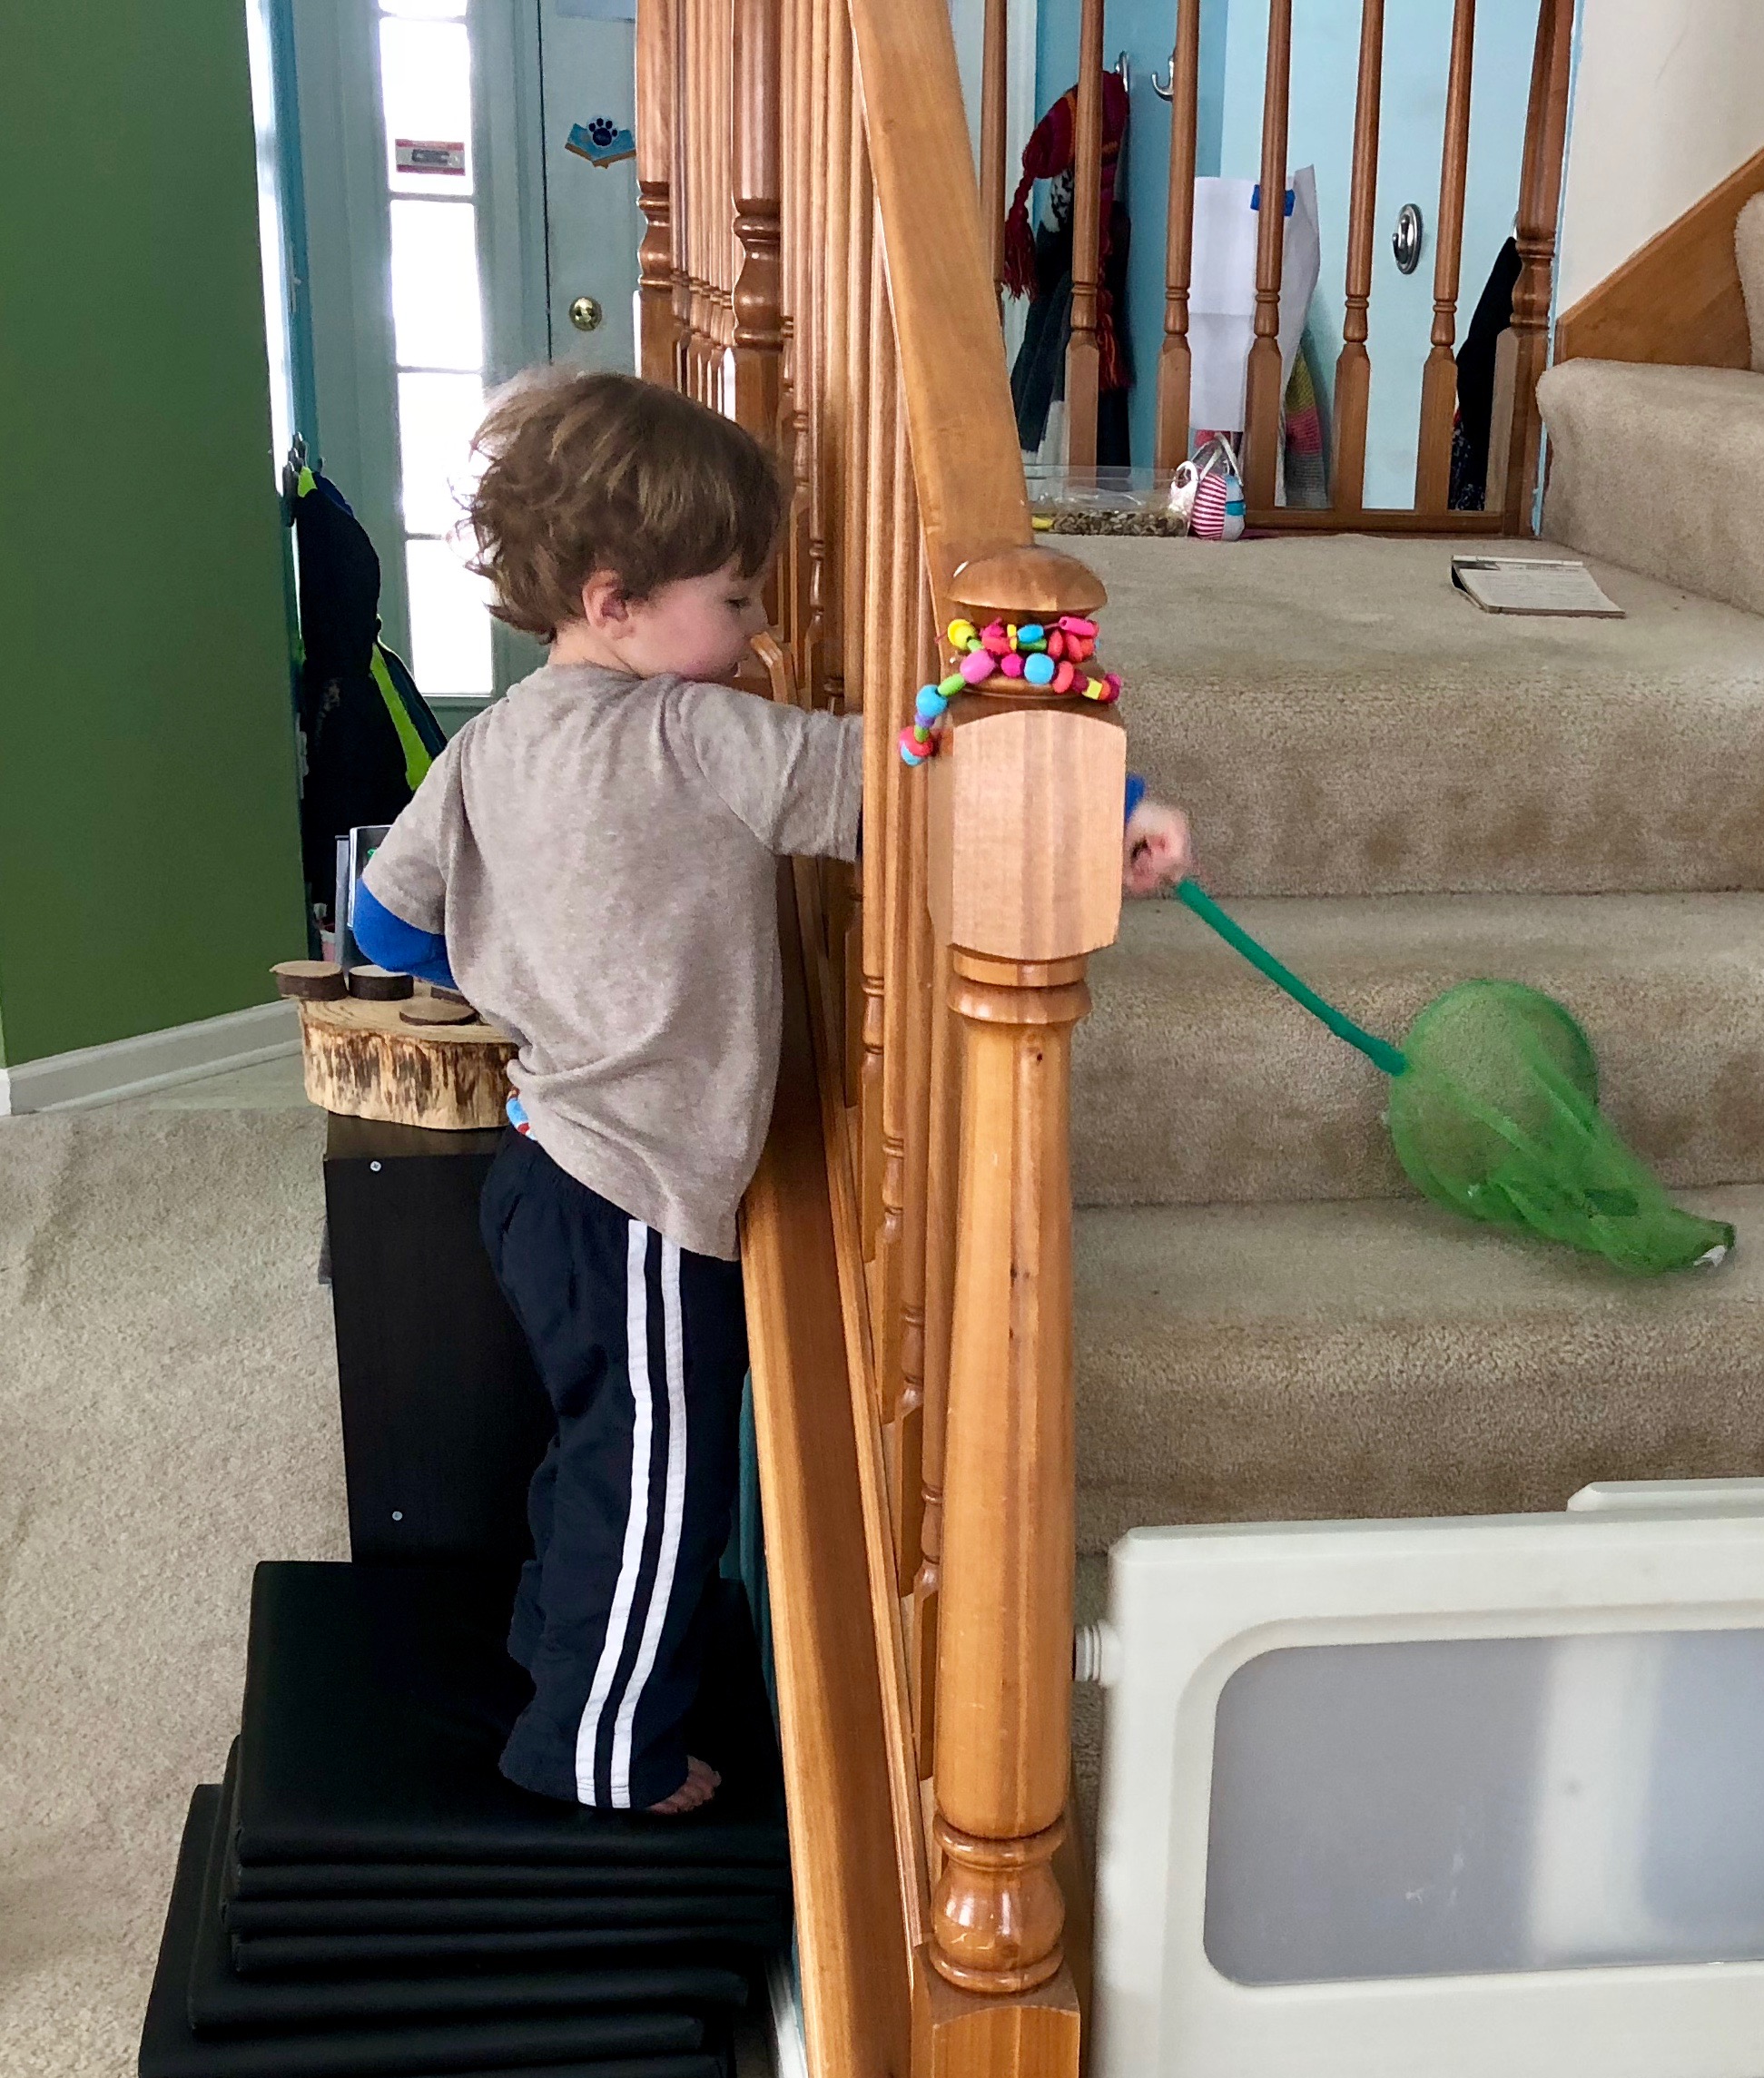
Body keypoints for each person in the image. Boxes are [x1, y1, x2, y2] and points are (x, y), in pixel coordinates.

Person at [352, 368, 1187, 1815]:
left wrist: (536, 964)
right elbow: (920, 782)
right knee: (664, 1484)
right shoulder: (702, 737)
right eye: (733, 602)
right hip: (646, 1199)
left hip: (540, 1164)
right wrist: (1107, 808)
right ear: (616, 602)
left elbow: (384, 927)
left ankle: (559, 1646)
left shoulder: (487, 741)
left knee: (593, 1443)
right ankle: (598, 1750)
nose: (760, 634)